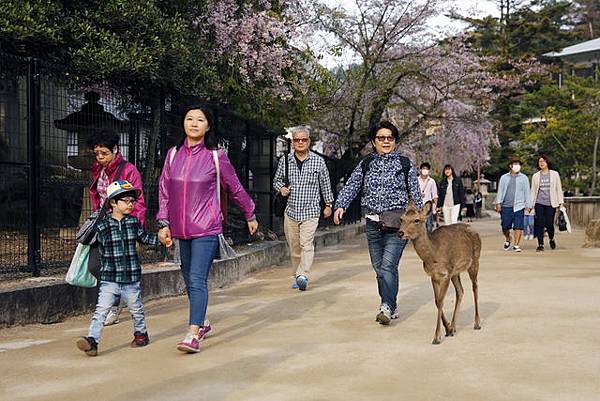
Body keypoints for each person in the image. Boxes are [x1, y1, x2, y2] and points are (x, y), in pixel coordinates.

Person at [156, 104, 258, 354]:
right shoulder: (172, 155)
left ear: (207, 126)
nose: (193, 123)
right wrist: (163, 222)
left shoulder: (216, 156)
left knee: (197, 278)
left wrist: (249, 212)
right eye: (189, 118)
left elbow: (234, 187)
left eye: (199, 120)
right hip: (180, 229)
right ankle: (203, 322)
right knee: (188, 279)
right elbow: (164, 192)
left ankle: (193, 333)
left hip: (206, 227)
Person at [333, 121, 423, 325]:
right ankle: (391, 303)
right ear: (374, 142)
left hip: (397, 226)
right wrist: (340, 206)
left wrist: (420, 218)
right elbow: (352, 185)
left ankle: (386, 307)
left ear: (394, 141)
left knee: (388, 266)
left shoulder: (404, 163)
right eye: (381, 138)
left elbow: (416, 192)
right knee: (379, 268)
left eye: (389, 138)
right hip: (373, 224)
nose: (385, 141)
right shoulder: (366, 163)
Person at [76, 180, 159, 357]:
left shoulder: (133, 222)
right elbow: (82, 237)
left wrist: (161, 239)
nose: (130, 204)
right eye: (126, 201)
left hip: (131, 277)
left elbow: (144, 238)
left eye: (132, 201)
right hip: (109, 278)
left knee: (136, 308)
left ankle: (141, 335)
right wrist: (96, 217)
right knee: (101, 311)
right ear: (113, 202)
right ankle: (92, 341)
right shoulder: (102, 225)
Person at [89, 129, 147, 326]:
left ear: (115, 149)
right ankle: (114, 302)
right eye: (96, 153)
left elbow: (138, 202)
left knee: (112, 267)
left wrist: (137, 233)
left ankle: (113, 307)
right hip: (104, 223)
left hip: (123, 225)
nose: (100, 157)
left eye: (103, 153)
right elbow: (97, 196)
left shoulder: (128, 170)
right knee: (96, 265)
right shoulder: (99, 169)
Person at [273, 126, 334, 291]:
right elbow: (276, 180)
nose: (300, 142)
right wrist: (281, 188)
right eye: (297, 140)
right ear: (292, 142)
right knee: (294, 247)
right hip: (291, 211)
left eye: (304, 140)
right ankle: (297, 275)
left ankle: (303, 275)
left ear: (309, 141)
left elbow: (325, 185)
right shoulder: (285, 160)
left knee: (306, 244)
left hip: (311, 211)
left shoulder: (318, 161)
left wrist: (328, 204)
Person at [494, 156, 532, 252]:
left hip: (519, 206)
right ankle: (508, 238)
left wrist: (528, 205)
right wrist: (498, 203)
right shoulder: (504, 177)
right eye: (515, 164)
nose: (517, 166)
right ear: (510, 166)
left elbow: (527, 192)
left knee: (518, 226)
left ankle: (516, 244)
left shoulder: (524, 178)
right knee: (505, 226)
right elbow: (500, 191)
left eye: (518, 164)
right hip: (506, 206)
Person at [531, 154, 564, 252]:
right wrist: (530, 205)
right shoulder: (535, 176)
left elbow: (559, 189)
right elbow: (533, 191)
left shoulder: (554, 174)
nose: (541, 163)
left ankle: (551, 238)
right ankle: (540, 244)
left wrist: (561, 203)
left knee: (549, 224)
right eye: (540, 161)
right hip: (539, 203)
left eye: (543, 161)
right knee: (539, 224)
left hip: (551, 203)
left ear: (547, 162)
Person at [417, 162, 438, 234]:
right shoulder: (416, 180)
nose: (425, 170)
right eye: (423, 168)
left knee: (429, 226)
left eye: (426, 169)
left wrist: (436, 206)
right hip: (418, 206)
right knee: (419, 225)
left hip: (428, 207)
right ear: (420, 170)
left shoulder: (432, 181)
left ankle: (428, 241)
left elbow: (434, 195)